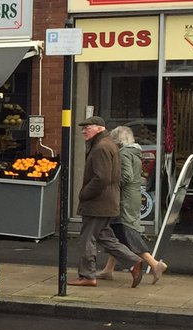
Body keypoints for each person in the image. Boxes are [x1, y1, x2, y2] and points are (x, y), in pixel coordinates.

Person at [69, 117, 144, 288]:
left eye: (87, 127)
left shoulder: (101, 147)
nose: (83, 131)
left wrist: (84, 194)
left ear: (99, 128)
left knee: (87, 240)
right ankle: (133, 262)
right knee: (106, 237)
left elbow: (102, 178)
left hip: (98, 203)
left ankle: (87, 276)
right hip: (107, 202)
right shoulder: (107, 144)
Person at [99, 126, 166, 283]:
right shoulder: (135, 152)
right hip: (133, 196)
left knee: (126, 233)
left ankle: (154, 264)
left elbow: (126, 176)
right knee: (116, 235)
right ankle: (108, 270)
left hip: (125, 200)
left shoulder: (123, 153)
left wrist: (112, 185)